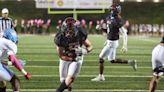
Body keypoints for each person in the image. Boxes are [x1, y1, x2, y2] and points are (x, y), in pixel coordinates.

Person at [91, 1, 137, 81]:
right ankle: (131, 62)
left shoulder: (118, 20)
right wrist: (101, 28)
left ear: (116, 11)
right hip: (111, 41)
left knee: (101, 58)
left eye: (113, 10)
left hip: (112, 42)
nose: (112, 11)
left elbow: (124, 33)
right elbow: (109, 30)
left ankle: (101, 76)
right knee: (112, 60)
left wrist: (125, 45)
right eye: (111, 10)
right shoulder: (109, 17)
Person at [54, 17, 93, 92]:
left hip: (77, 58)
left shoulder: (80, 34)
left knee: (70, 78)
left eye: (71, 32)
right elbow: (61, 56)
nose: (68, 34)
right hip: (66, 58)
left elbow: (90, 46)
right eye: (67, 31)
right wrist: (72, 59)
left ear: (75, 30)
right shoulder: (60, 38)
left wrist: (85, 51)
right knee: (63, 81)